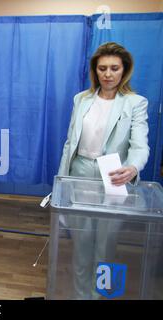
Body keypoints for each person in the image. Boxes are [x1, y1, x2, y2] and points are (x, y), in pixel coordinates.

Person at [58, 42, 149, 299]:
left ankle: (101, 296)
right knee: (81, 246)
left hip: (113, 176)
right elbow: (70, 144)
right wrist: (60, 181)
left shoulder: (135, 103)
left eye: (114, 68)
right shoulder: (81, 99)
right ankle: (80, 296)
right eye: (102, 68)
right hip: (79, 174)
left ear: (124, 70)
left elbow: (140, 145)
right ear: (95, 71)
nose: (108, 74)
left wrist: (132, 166)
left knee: (107, 247)